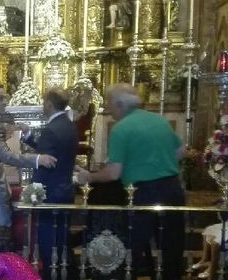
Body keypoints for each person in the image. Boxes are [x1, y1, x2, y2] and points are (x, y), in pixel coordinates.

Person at [76, 83, 185, 279]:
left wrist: (89, 176)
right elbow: (180, 150)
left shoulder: (121, 128)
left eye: (109, 103)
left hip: (142, 193)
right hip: (172, 189)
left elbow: (113, 173)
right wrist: (160, 164)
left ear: (119, 104)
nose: (108, 107)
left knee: (133, 248)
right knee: (171, 247)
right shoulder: (158, 121)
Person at [0, 84, 57, 229]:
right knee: (1, 235)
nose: (5, 102)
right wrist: (38, 159)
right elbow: (7, 156)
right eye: (1, 98)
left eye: (6, 98)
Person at [20, 88, 77, 280]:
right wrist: (28, 136)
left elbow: (45, 163)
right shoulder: (68, 125)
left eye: (44, 101)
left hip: (51, 192)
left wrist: (34, 191)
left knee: (48, 240)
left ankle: (50, 275)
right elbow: (50, 152)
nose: (42, 105)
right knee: (61, 238)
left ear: (49, 104)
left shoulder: (51, 129)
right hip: (65, 189)